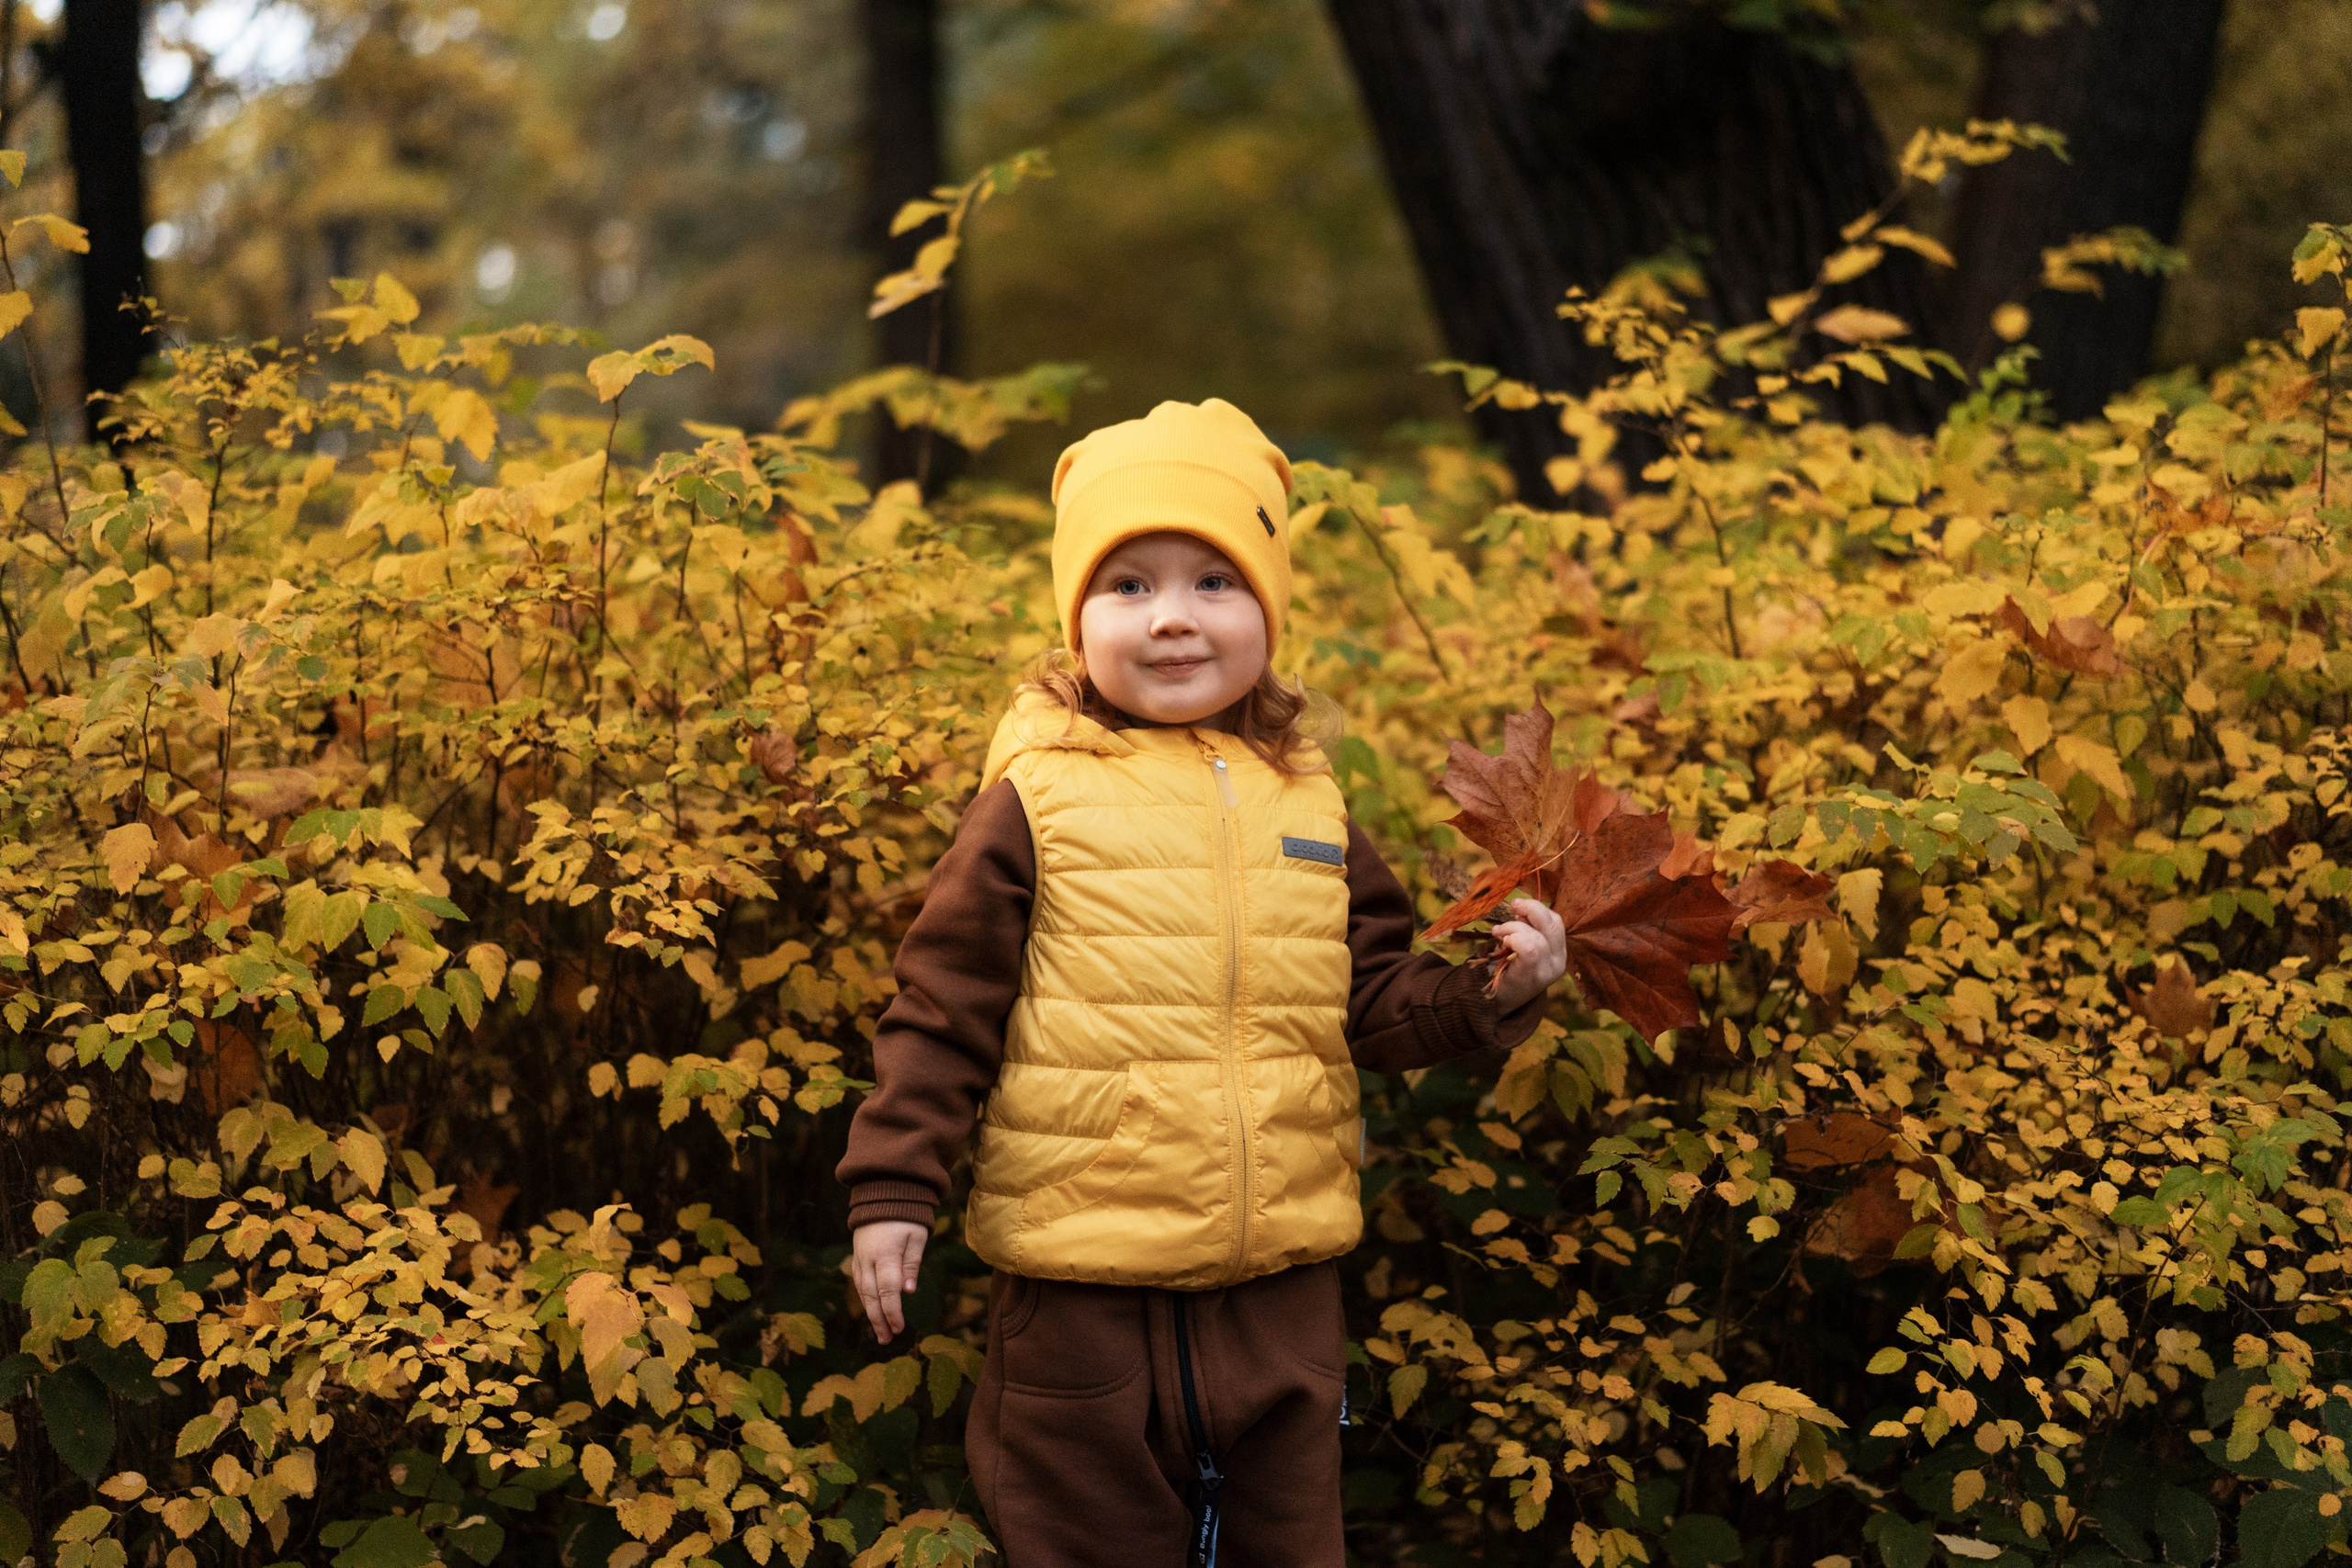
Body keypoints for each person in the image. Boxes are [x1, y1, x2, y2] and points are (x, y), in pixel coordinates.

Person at [836, 398, 1572, 1566]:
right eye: (1127, 585)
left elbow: (1370, 998)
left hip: (1277, 1291)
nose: (1171, 616)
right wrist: (892, 1190)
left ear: (1267, 611)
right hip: (1081, 1294)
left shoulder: (1308, 801)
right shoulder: (1036, 799)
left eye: (1214, 581)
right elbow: (942, 1009)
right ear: (1076, 619)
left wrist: (1492, 991)